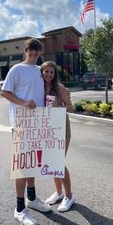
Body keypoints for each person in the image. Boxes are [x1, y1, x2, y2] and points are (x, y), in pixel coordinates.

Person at [1, 38, 51, 225]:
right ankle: (20, 209)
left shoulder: (40, 71)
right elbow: (5, 92)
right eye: (31, 51)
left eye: (37, 51)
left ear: (40, 53)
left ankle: (32, 199)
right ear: (25, 51)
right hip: (21, 124)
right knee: (22, 166)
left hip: (38, 123)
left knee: (33, 162)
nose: (34, 54)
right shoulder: (17, 69)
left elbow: (49, 88)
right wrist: (23, 103)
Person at [41, 61, 75, 212]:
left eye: (51, 72)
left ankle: (69, 196)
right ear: (41, 72)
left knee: (59, 162)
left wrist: (58, 107)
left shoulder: (59, 88)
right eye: (46, 71)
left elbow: (70, 107)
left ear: (55, 74)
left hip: (61, 127)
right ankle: (59, 193)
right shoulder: (39, 87)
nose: (48, 74)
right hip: (47, 129)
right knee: (51, 162)